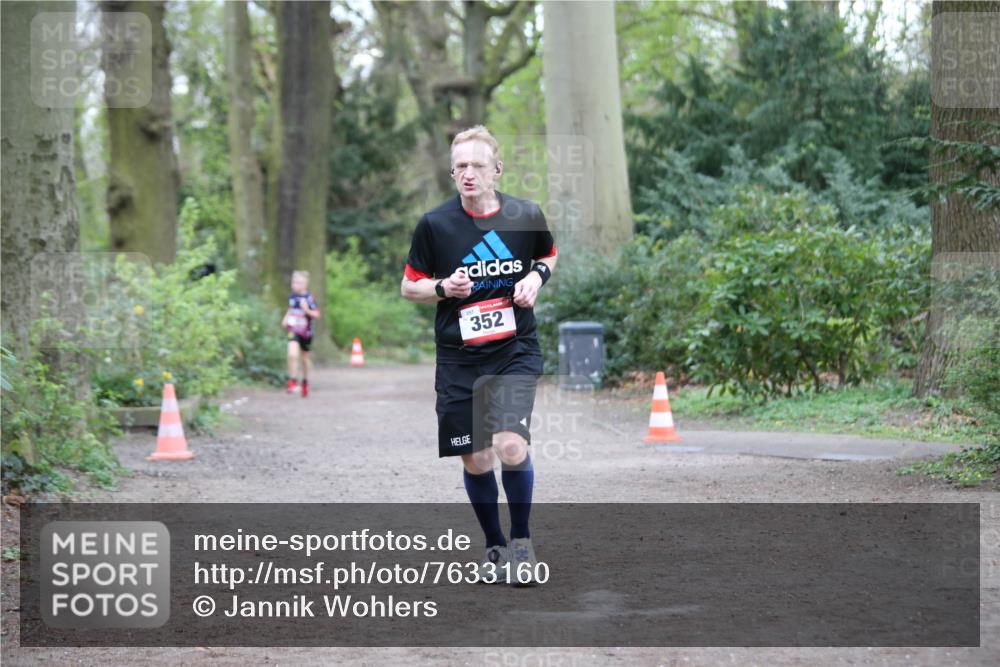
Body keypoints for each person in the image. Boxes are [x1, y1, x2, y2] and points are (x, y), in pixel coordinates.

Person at [400, 126, 557, 586]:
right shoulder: (435, 225)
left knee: (510, 444)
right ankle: (494, 545)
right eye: (460, 167)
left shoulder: (525, 214)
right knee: (477, 458)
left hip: (514, 349)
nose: (468, 174)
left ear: (497, 169)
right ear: (452, 172)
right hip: (459, 357)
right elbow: (410, 285)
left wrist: (537, 279)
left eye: (477, 165)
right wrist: (442, 287)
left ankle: (522, 543)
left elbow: (548, 254)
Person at [282, 270, 320, 397]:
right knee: (292, 354)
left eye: (298, 282)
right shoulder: (292, 297)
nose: (295, 285)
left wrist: (307, 310)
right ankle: (292, 380)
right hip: (294, 330)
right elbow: (291, 309)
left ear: (305, 284)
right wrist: (286, 318)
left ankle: (305, 381)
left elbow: (316, 314)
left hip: (306, 332)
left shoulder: (309, 298)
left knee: (304, 359)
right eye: (294, 282)